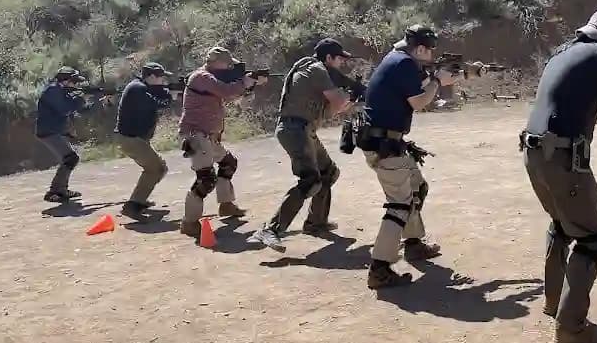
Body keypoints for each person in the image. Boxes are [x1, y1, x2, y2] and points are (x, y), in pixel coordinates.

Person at [521, 9, 597, 343]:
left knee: (562, 224)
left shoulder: (563, 50)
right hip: (561, 158)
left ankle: (554, 302)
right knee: (594, 240)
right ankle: (571, 328)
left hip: (534, 153)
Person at [355, 25, 457, 289]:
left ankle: (413, 243)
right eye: (430, 50)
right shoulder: (403, 64)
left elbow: (420, 87)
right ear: (420, 48)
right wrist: (438, 81)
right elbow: (419, 102)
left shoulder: (399, 60)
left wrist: (458, 74)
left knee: (416, 187)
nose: (432, 54)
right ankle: (379, 269)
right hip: (384, 144)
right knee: (400, 203)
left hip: (387, 141)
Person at [254, 39, 354, 252]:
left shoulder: (314, 75)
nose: (341, 64)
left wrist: (347, 100)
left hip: (303, 130)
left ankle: (316, 223)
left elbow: (330, 112)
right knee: (310, 180)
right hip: (295, 130)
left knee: (328, 172)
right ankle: (270, 230)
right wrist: (349, 96)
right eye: (339, 59)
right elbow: (338, 102)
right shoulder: (316, 69)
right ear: (328, 58)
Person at [178, 46, 267, 240]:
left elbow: (233, 96)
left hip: (208, 135)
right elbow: (226, 91)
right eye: (227, 64)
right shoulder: (201, 77)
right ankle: (189, 222)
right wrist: (245, 82)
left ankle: (226, 205)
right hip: (196, 135)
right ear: (217, 62)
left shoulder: (211, 80)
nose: (229, 68)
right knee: (206, 179)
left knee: (228, 163)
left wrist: (250, 85)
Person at [115, 62, 176, 221]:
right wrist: (171, 95)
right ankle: (133, 206)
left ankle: (139, 200)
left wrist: (168, 93)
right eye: (161, 77)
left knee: (160, 168)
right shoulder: (137, 89)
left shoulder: (143, 87)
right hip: (131, 139)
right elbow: (158, 103)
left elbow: (159, 98)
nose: (163, 81)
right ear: (152, 76)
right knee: (155, 169)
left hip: (135, 139)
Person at [35, 66, 106, 203]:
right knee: (70, 158)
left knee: (70, 159)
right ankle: (54, 191)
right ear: (66, 81)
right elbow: (65, 109)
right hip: (48, 132)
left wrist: (98, 102)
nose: (76, 85)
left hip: (54, 131)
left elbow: (82, 110)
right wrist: (82, 97)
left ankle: (60, 190)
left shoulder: (61, 91)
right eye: (74, 82)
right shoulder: (53, 90)